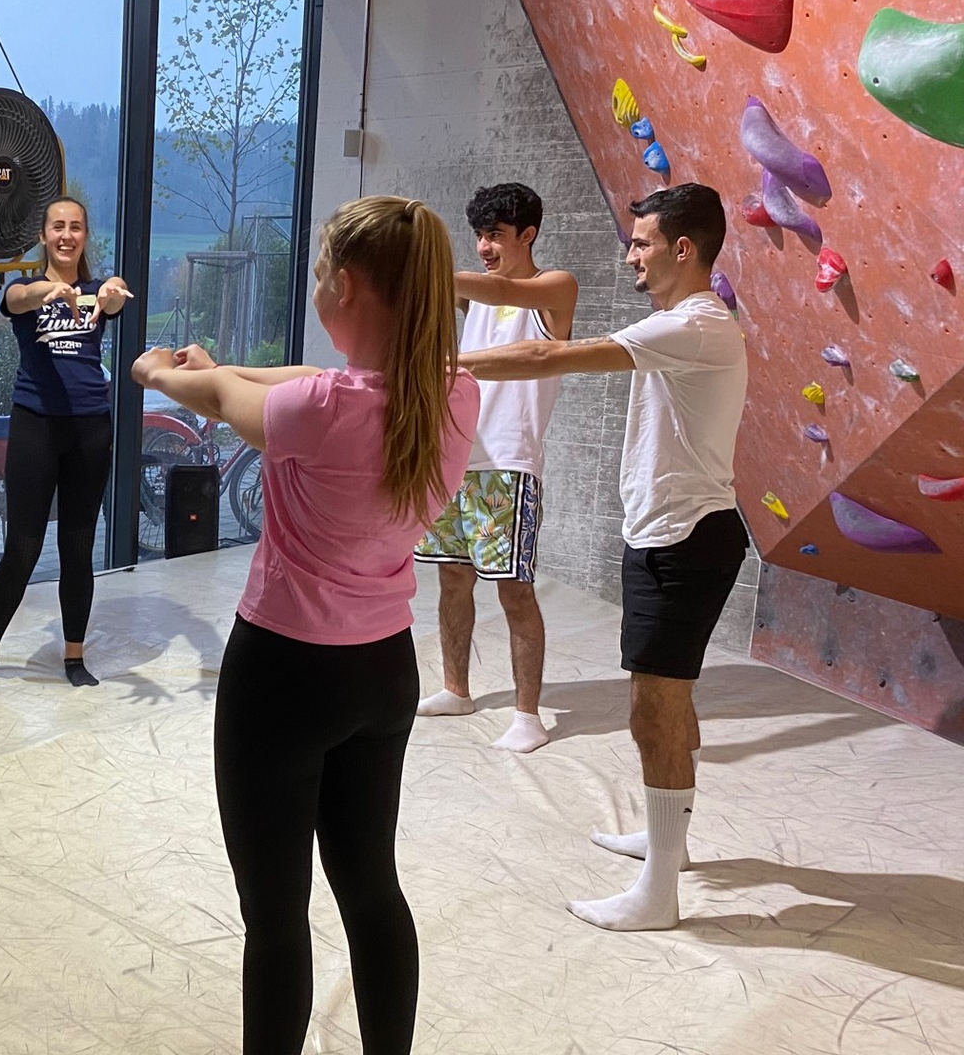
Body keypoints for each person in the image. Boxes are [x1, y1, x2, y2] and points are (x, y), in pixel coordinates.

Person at [133, 195, 480, 1054]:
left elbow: (216, 395)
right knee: (372, 891)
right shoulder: (454, 394)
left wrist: (154, 371)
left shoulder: (320, 410)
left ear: (348, 285)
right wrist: (229, 368)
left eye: (322, 271)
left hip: (284, 678)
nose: (317, 285)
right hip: (383, 675)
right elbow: (297, 382)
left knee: (276, 916)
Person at [459, 183, 748, 931]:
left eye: (641, 243)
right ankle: (668, 840)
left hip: (685, 540)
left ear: (683, 248)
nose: (631, 257)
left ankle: (658, 893)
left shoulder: (694, 324)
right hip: (667, 533)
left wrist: (448, 365)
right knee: (669, 704)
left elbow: (546, 353)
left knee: (654, 711)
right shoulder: (680, 323)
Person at [413, 183, 578, 753]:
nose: (484, 246)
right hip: (454, 457)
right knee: (451, 578)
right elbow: (475, 293)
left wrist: (431, 270)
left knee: (514, 590)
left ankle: (528, 715)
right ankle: (455, 689)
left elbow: (505, 289)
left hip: (509, 461)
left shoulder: (555, 287)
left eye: (496, 235)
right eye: (479, 236)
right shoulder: (477, 296)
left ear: (528, 234)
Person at [0, 196, 130, 688]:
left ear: (85, 236)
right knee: (23, 545)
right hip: (35, 425)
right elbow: (17, 300)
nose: (66, 235)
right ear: (43, 235)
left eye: (75, 227)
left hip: (90, 429)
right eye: (57, 226)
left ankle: (74, 658)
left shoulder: (97, 292)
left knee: (78, 546)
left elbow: (114, 299)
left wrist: (112, 294)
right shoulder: (24, 289)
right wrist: (49, 292)